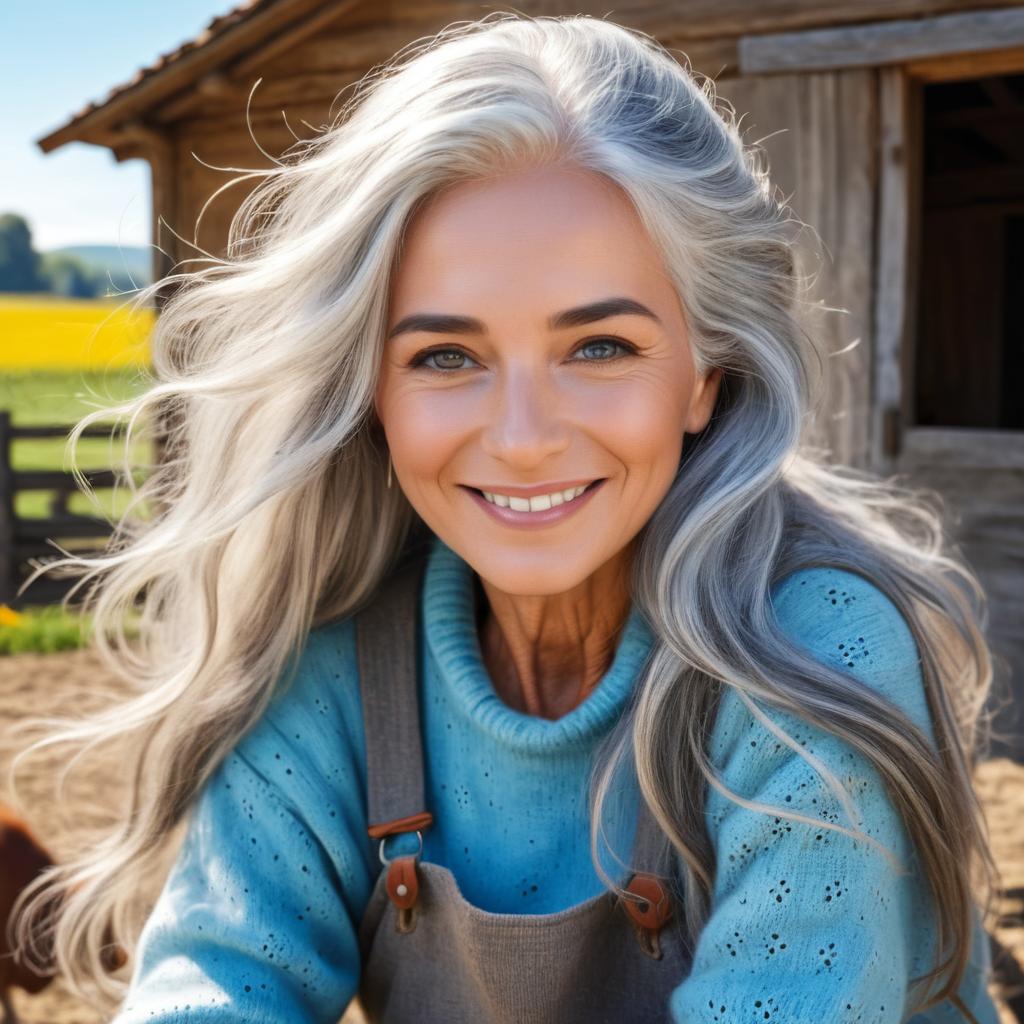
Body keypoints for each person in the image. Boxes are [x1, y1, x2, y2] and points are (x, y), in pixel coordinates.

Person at [6, 13, 1005, 1024]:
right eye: (445, 356)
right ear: (370, 389)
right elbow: (215, 985)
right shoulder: (334, 659)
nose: (523, 437)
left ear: (705, 371)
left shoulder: (811, 650)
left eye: (601, 346)